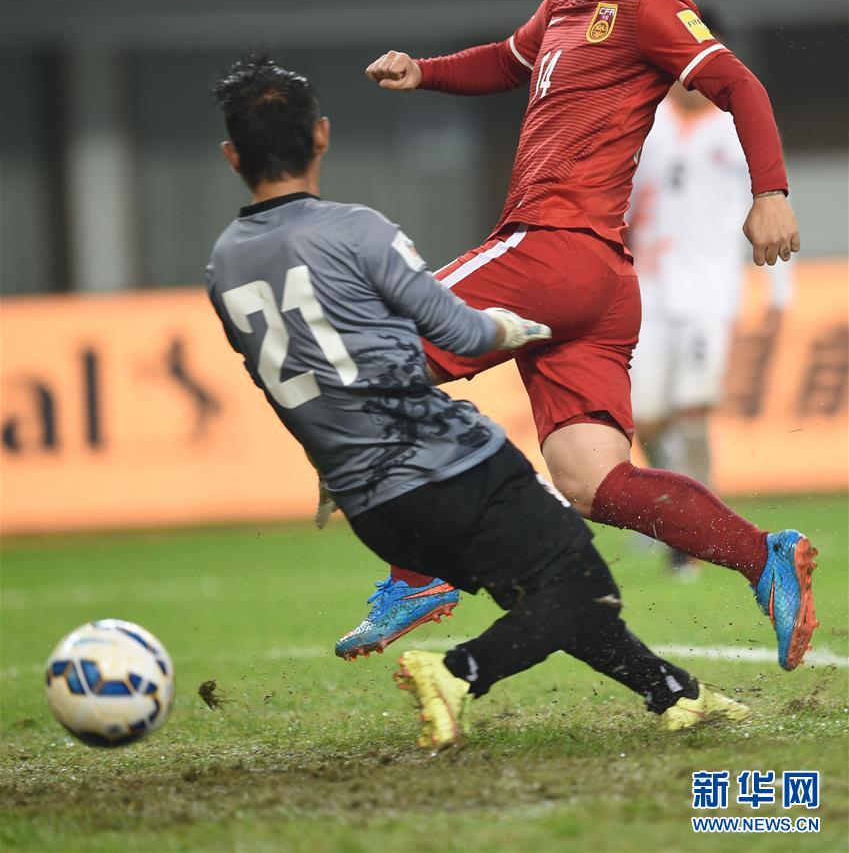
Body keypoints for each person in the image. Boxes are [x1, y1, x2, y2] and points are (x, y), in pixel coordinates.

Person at [336, 0, 818, 671]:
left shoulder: (654, 10)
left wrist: (770, 191)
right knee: (591, 480)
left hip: (553, 248)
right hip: (600, 283)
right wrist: (425, 71)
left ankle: (416, 574)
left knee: (378, 357)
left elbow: (738, 84)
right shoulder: (564, 6)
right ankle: (760, 553)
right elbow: (505, 60)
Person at [205, 54, 751, 750]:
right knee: (581, 589)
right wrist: (521, 326)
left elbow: (279, 377)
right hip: (452, 466)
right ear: (321, 136)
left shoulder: (222, 263)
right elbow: (459, 329)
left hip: (369, 505)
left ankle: (673, 693)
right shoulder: (357, 231)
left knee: (538, 589)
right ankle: (457, 672)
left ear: (231, 156)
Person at [627, 10, 792, 574]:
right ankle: (665, 514)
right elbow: (621, 204)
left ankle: (693, 540)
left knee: (693, 412)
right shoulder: (646, 122)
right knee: (643, 419)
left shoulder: (740, 124)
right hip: (648, 287)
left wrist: (778, 286)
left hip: (710, 289)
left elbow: (770, 205)